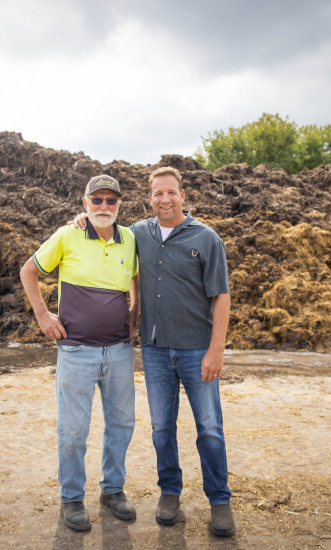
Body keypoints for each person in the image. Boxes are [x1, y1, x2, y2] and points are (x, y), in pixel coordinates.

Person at [74, 166, 234, 536]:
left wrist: (217, 350)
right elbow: (107, 233)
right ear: (150, 198)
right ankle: (170, 493)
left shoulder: (207, 238)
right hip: (156, 350)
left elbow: (221, 296)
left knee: (210, 428)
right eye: (158, 193)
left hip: (197, 350)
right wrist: (81, 220)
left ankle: (219, 500)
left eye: (171, 192)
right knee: (162, 428)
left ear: (183, 196)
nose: (165, 199)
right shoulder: (138, 234)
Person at [19, 175, 139, 532]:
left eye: (111, 201)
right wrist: (43, 315)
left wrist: (134, 308)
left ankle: (112, 490)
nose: (104, 206)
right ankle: (71, 498)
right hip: (77, 351)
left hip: (119, 350)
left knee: (122, 424)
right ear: (85, 203)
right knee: (73, 430)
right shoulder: (67, 235)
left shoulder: (130, 239)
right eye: (96, 200)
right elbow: (28, 270)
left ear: (119, 205)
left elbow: (136, 276)